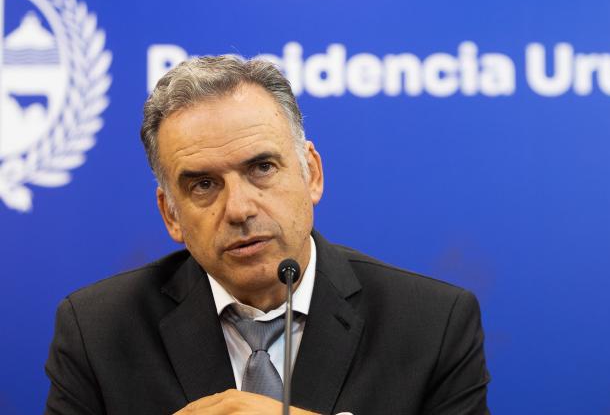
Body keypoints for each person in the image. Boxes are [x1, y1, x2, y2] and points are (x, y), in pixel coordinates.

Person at [44, 55, 490, 414]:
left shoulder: (432, 323)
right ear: (171, 214)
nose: (238, 209)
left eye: (262, 168)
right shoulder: (98, 331)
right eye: (203, 184)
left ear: (311, 173)